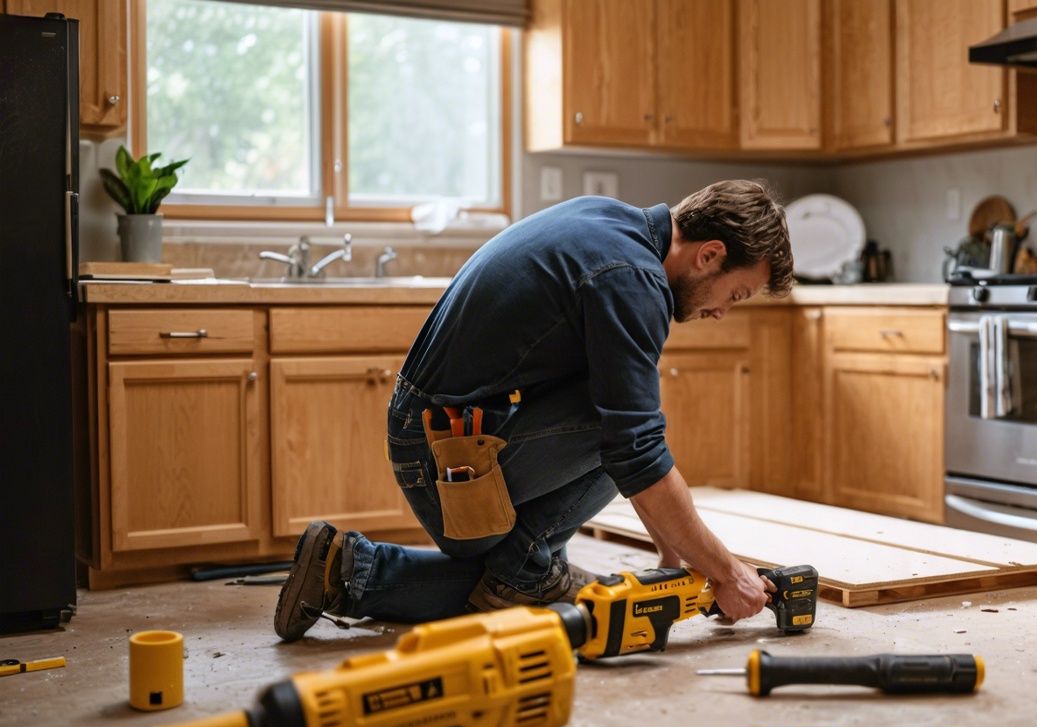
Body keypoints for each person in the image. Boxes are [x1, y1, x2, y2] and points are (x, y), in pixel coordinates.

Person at [273, 179, 793, 642]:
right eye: (736, 293)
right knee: (618, 439)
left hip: (441, 436)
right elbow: (633, 449)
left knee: (624, 424)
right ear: (709, 255)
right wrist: (727, 573)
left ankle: (361, 569)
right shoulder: (632, 281)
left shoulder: (610, 223)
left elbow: (631, 434)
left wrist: (674, 557)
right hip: (447, 463)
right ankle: (493, 572)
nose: (722, 312)